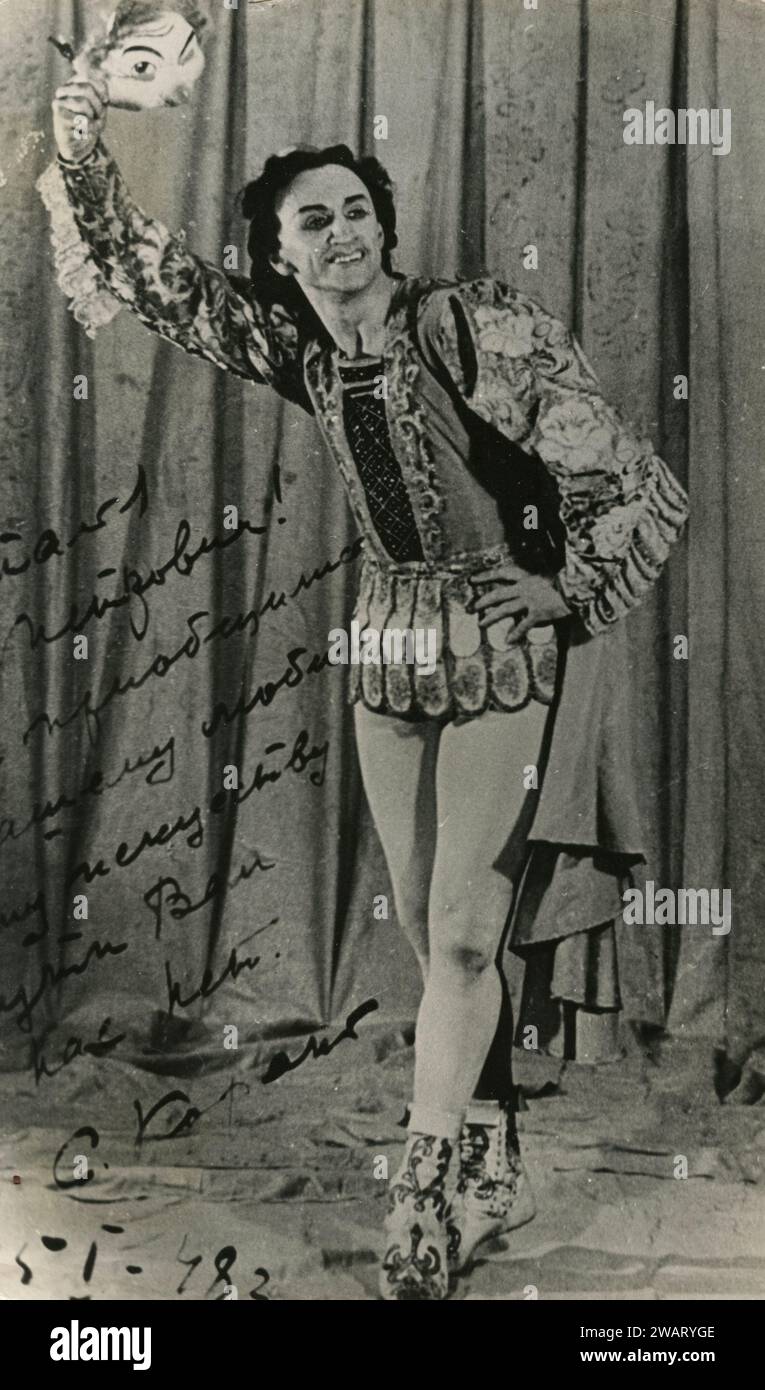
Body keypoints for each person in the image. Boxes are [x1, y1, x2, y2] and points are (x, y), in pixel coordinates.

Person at [44, 76, 689, 1300]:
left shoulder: (470, 327)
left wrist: (564, 593)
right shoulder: (294, 344)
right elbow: (147, 274)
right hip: (386, 660)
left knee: (458, 932)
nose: (342, 233)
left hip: (501, 652)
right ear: (279, 254)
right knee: (436, 933)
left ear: (383, 228)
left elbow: (646, 482)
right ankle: (498, 1151)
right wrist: (80, 144)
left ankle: (425, 1191)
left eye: (357, 211)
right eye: (312, 221)